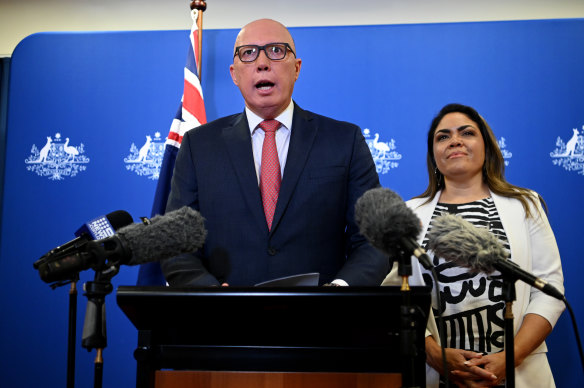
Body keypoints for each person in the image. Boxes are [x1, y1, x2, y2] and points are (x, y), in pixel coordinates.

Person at [161, 19, 388, 287]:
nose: (262, 63)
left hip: (321, 321)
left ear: (297, 68)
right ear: (234, 74)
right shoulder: (199, 146)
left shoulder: (344, 140)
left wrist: (338, 292)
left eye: (276, 50)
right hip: (225, 322)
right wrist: (212, 294)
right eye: (249, 53)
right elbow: (176, 244)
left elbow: (374, 240)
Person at [382, 103, 565, 387]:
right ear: (433, 155)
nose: (454, 140)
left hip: (519, 372)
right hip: (438, 376)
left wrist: (510, 358)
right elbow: (395, 298)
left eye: (466, 133)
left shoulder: (525, 204)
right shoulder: (409, 214)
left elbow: (549, 290)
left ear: (486, 146)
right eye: (443, 137)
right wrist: (433, 353)